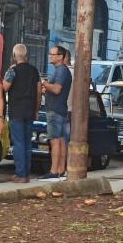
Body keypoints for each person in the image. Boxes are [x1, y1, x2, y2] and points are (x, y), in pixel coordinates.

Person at [0, 44, 40, 183]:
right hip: (29, 110)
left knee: (18, 143)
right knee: (27, 142)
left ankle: (20, 174)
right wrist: (36, 110)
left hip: (16, 111)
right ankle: (26, 173)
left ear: (14, 56)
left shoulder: (13, 71)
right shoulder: (35, 71)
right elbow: (39, 91)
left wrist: (4, 75)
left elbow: (4, 87)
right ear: (26, 56)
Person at [39, 45, 71, 180]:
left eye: (53, 54)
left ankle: (54, 170)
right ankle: (61, 169)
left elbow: (57, 89)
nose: (50, 56)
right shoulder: (62, 71)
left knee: (55, 140)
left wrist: (44, 84)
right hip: (61, 109)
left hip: (55, 110)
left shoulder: (61, 71)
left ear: (60, 57)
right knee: (62, 140)